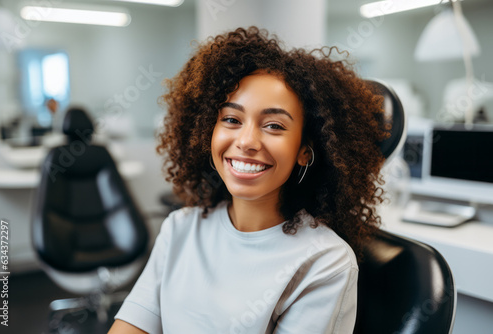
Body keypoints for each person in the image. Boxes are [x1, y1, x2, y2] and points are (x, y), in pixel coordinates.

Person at [109, 26, 387, 334]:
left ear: (305, 151)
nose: (247, 141)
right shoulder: (179, 229)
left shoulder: (324, 262)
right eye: (231, 119)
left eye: (273, 125)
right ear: (207, 131)